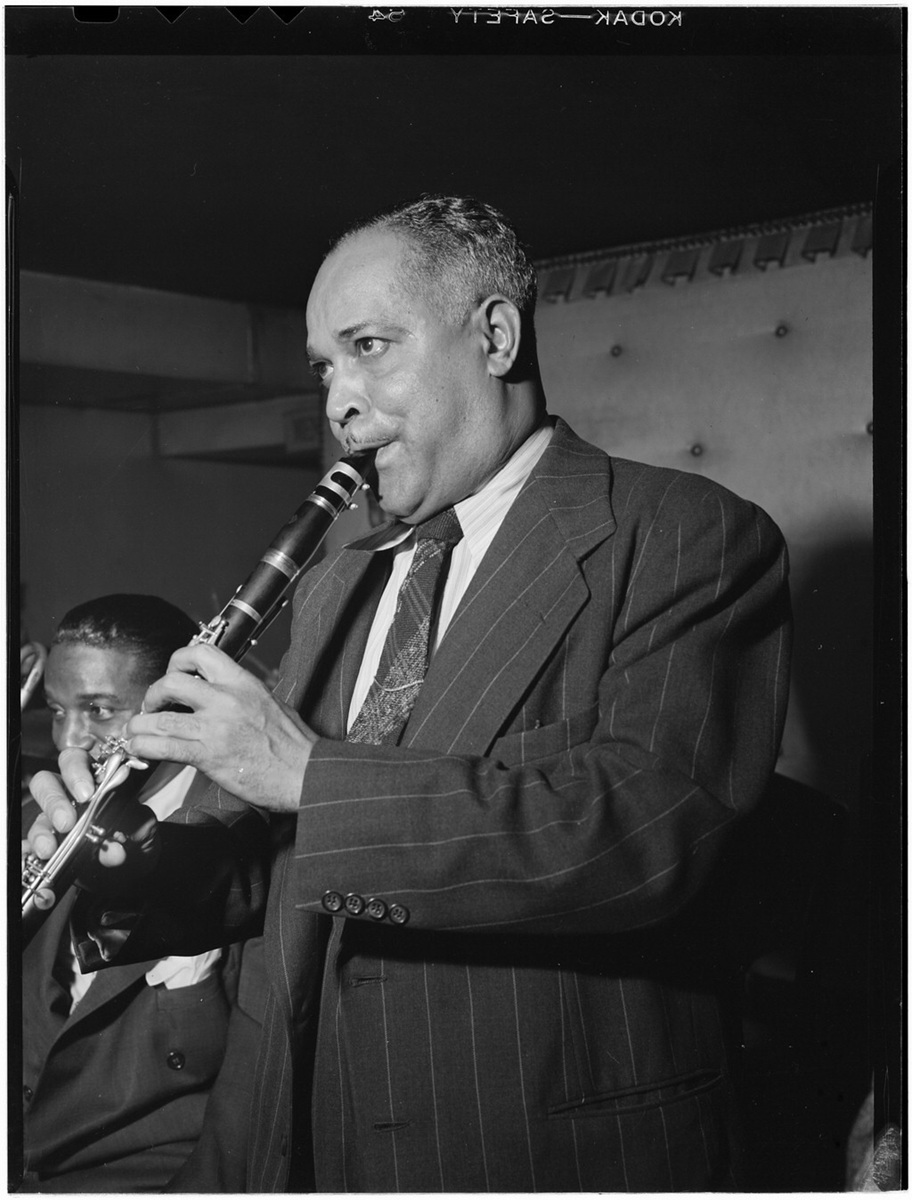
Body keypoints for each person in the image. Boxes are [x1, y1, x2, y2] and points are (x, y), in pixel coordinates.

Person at [27, 196, 792, 1191]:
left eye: (369, 346)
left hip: (526, 1145)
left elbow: (643, 839)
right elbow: (289, 870)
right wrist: (147, 865)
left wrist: (303, 773)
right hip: (292, 1142)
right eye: (323, 367)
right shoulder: (343, 567)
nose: (339, 400)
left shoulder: (682, 535)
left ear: (495, 335)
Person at [18, 594, 263, 1193]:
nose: (69, 740)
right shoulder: (32, 814)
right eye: (55, 711)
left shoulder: (246, 844)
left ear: (175, 704)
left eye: (99, 711)